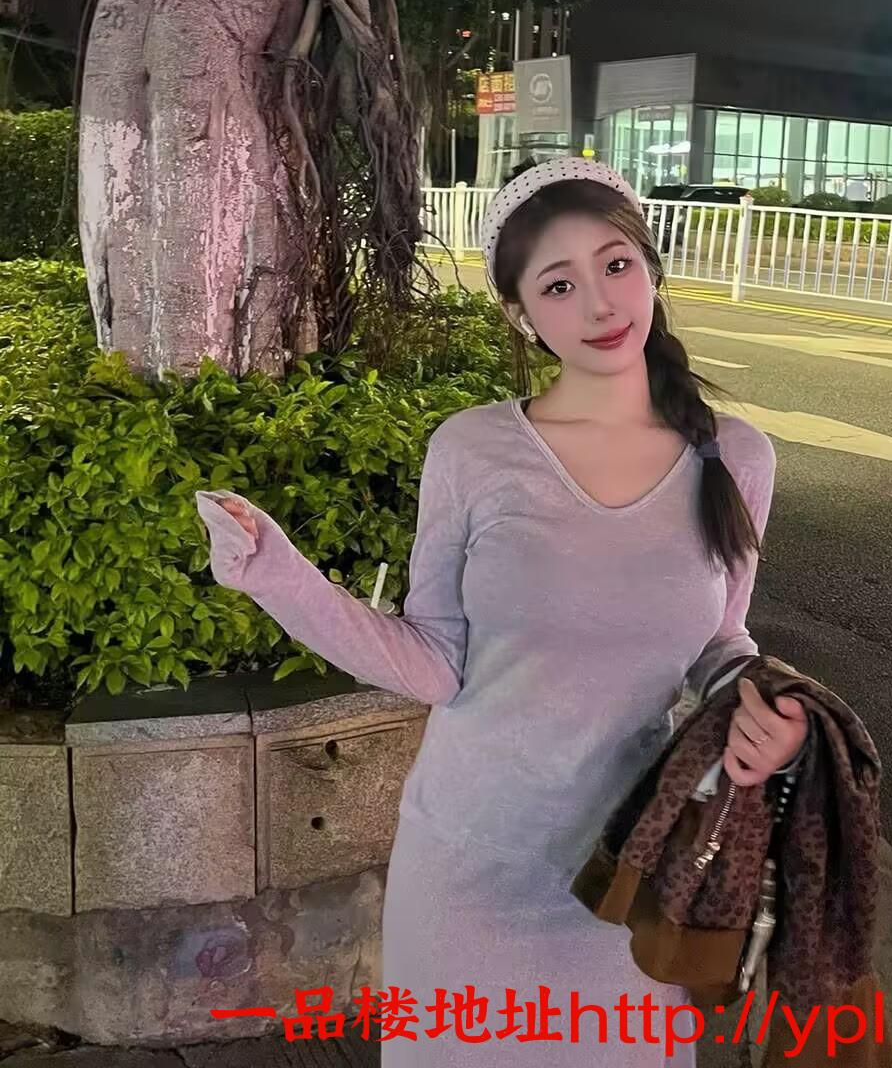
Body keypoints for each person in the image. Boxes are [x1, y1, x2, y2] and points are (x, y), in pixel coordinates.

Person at [196, 157, 807, 1066]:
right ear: (521, 314)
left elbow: (720, 642)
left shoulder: (737, 457)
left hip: (629, 871)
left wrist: (770, 712)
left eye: (616, 265)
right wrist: (276, 575)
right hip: (471, 864)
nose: (599, 304)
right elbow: (435, 662)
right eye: (559, 285)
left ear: (650, 267)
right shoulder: (474, 449)